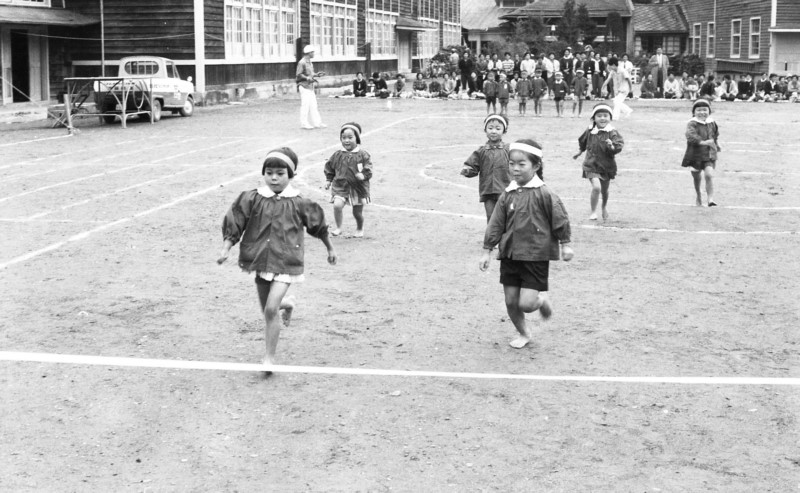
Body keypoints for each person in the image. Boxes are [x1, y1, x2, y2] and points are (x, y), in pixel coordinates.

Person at [219, 147, 337, 369]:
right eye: (269, 172)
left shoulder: (300, 202)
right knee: (267, 308)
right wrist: (226, 248)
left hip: (286, 261)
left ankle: (269, 358)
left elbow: (318, 225)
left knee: (271, 310)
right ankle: (288, 303)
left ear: (291, 175)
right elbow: (236, 220)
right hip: (260, 260)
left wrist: (330, 249)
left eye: (280, 173)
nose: (274, 178)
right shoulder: (252, 198)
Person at [479, 139, 574, 349]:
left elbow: (560, 218)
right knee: (511, 301)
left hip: (535, 256)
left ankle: (541, 300)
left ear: (536, 166)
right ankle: (524, 333)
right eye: (512, 163)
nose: (515, 168)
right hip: (510, 255)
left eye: (522, 164)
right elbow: (496, 223)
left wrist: (565, 243)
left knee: (527, 304)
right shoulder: (507, 194)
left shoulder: (545, 193)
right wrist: (487, 251)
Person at [573, 103, 624, 221]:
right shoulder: (590, 130)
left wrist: (612, 146)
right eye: (599, 116)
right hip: (591, 164)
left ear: (610, 118)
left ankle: (604, 207)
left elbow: (618, 146)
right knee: (596, 188)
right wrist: (580, 151)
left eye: (605, 116)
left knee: (604, 191)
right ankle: (593, 212)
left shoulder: (612, 132)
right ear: (593, 118)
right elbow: (583, 141)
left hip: (606, 166)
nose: (602, 118)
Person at [324, 123, 373, 237]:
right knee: (337, 205)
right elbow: (330, 167)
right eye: (344, 138)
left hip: (357, 188)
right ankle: (339, 227)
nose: (346, 140)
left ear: (357, 138)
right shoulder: (337, 154)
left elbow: (369, 168)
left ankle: (360, 228)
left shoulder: (363, 154)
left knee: (357, 213)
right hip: (340, 186)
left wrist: (363, 175)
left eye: (350, 137)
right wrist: (328, 180)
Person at [460, 114, 511, 221]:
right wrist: (468, 170)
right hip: (487, 190)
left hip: (505, 190)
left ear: (504, 131)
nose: (494, 131)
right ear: (485, 130)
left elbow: (518, 165)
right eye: (490, 128)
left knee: (506, 217)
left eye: (498, 128)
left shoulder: (509, 150)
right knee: (491, 217)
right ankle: (492, 232)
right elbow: (472, 166)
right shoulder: (481, 151)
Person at [681, 99, 720, 207]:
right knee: (696, 177)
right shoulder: (692, 123)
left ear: (709, 111)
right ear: (694, 112)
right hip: (695, 155)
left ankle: (710, 199)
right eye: (698, 110)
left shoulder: (712, 122)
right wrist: (703, 142)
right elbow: (690, 136)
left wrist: (717, 144)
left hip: (709, 154)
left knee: (709, 175)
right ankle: (698, 195)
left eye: (704, 110)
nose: (702, 112)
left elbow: (715, 135)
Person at [296, 45, 326, 129]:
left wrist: (316, 75)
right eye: (313, 52)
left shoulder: (310, 62)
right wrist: (307, 78)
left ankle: (317, 123)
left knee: (313, 105)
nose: (314, 53)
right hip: (304, 86)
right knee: (305, 106)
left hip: (310, 86)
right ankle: (304, 123)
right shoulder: (302, 62)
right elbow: (299, 74)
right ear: (309, 53)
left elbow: (310, 74)